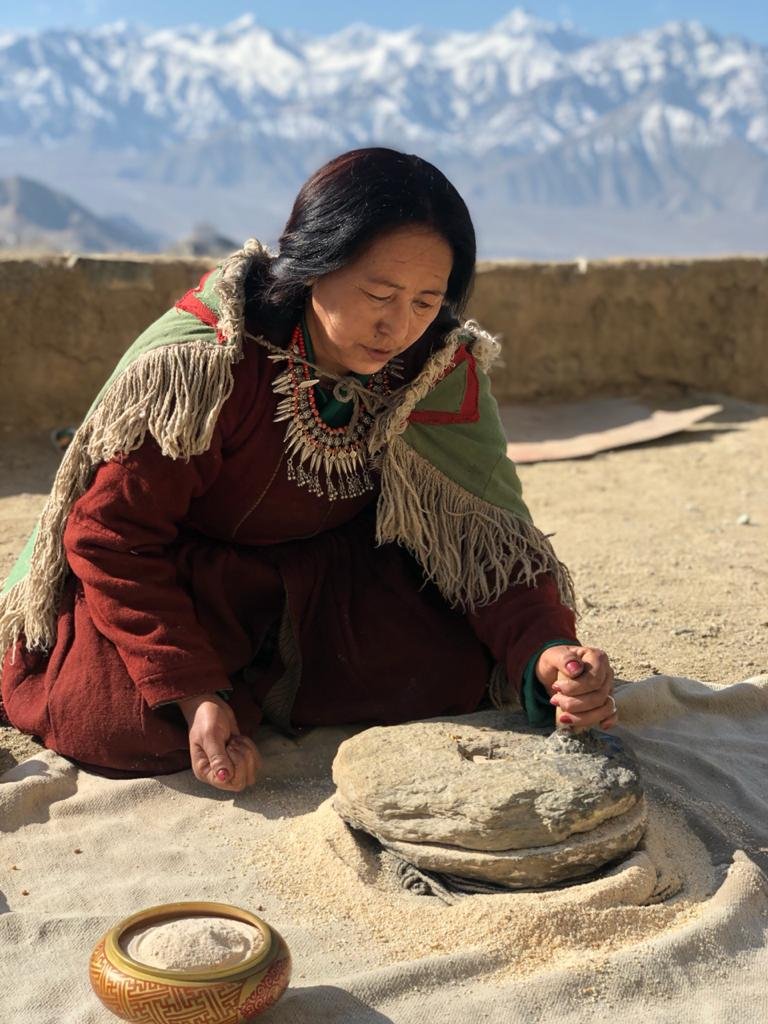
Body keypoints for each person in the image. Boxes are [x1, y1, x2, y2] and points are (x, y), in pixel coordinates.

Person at [0, 148, 615, 794]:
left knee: (456, 670)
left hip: (323, 585)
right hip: (177, 576)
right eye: (379, 294)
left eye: (425, 301)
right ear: (314, 264)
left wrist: (550, 653)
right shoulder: (214, 362)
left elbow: (487, 542)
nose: (397, 326)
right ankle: (236, 686)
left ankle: (266, 679)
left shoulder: (432, 367)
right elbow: (109, 536)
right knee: (118, 722)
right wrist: (193, 693)